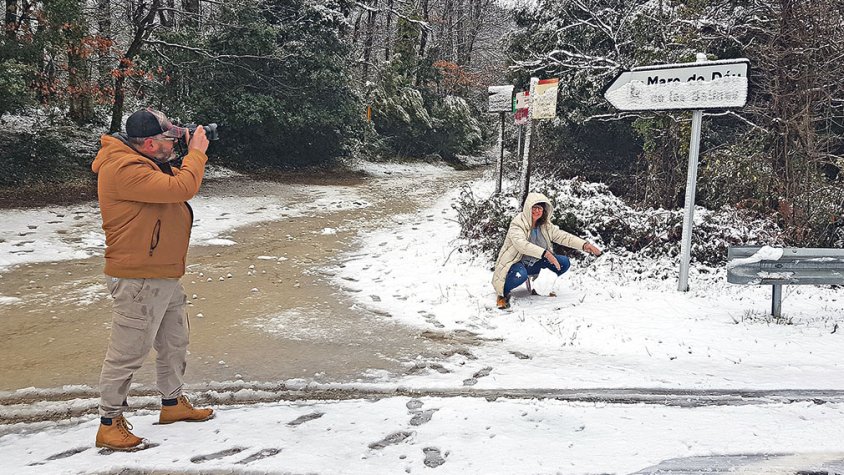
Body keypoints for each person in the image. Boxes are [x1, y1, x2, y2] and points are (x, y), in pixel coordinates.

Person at [91, 109, 213, 451]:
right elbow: (182, 188)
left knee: (175, 340)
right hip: (138, 277)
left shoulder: (145, 161)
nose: (173, 144)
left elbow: (175, 179)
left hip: (162, 273)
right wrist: (196, 153)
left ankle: (172, 404)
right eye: (167, 140)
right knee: (127, 352)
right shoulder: (123, 168)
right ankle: (109, 422)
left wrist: (182, 140)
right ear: (147, 143)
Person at [492, 192, 602, 309]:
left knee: (563, 262)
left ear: (544, 211)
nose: (536, 211)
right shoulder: (518, 224)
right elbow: (521, 244)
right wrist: (546, 253)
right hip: (516, 262)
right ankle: (502, 293)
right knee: (520, 275)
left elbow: (564, 237)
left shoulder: (545, 226)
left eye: (539, 208)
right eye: (534, 208)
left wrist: (585, 245)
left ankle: (539, 287)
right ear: (527, 208)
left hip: (534, 263)